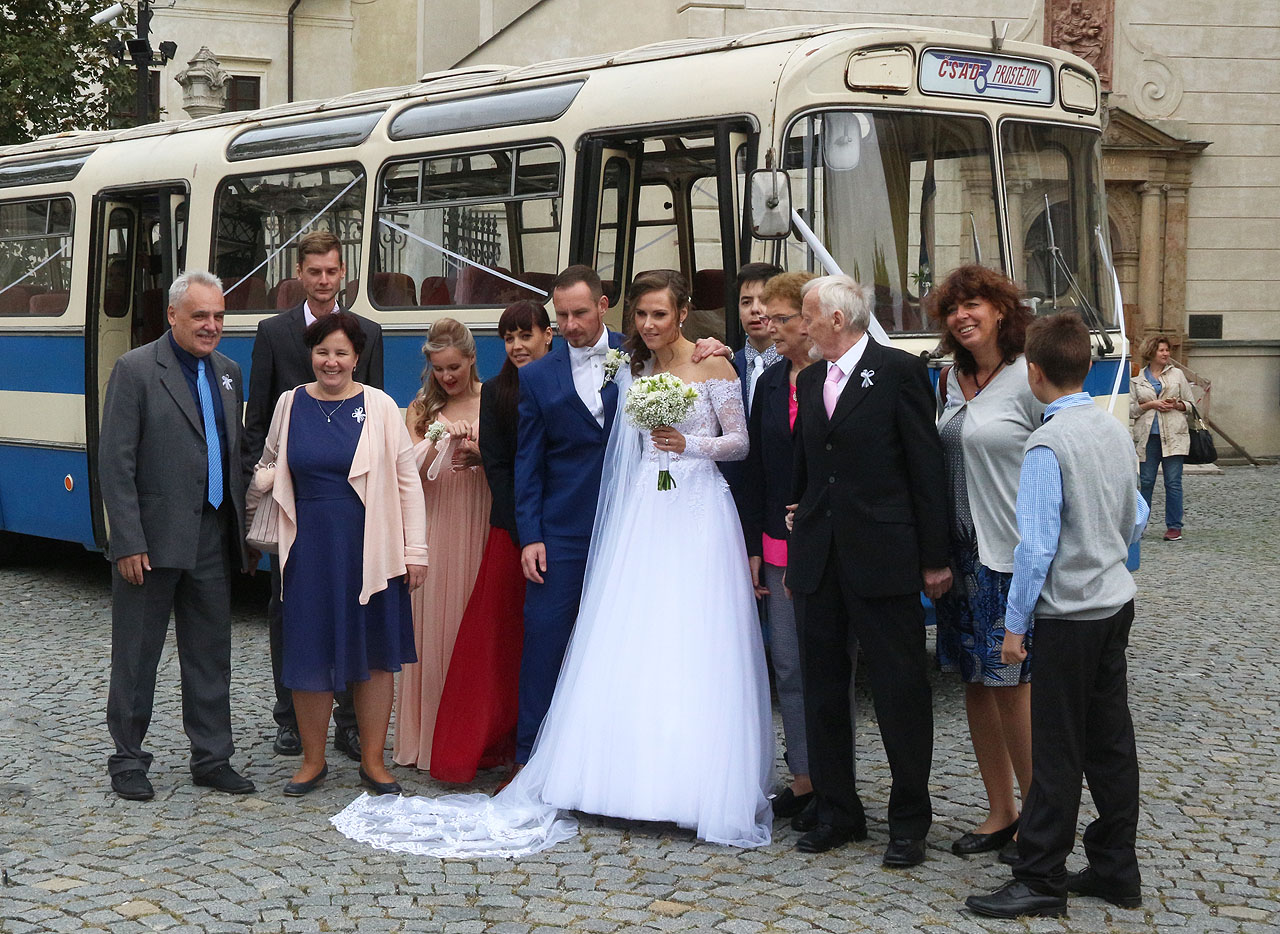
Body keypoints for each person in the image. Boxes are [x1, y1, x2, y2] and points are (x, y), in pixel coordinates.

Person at [331, 269, 773, 856]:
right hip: (563, 531)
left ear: (604, 309)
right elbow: (526, 463)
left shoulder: (636, 359)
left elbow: (717, 406)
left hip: (644, 523)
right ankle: (536, 760)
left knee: (642, 642)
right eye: (560, 317)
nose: (568, 326)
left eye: (579, 315)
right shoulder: (538, 376)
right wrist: (530, 535)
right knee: (546, 639)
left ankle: (640, 763)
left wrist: (709, 361)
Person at [965, 313, 1149, 920]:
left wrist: (1015, 627)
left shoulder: (1047, 443)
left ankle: (1041, 874)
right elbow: (1139, 513)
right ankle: (1117, 867)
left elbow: (1035, 545)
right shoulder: (1112, 430)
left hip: (1068, 614)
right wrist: (1105, 547)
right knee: (1111, 740)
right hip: (1112, 602)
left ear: (1035, 373)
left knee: (1059, 748)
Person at [785, 275, 950, 865]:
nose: (800, 326)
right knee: (823, 688)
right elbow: (811, 466)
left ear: (835, 318)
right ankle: (837, 809)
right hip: (819, 556)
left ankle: (909, 821)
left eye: (806, 315)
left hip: (884, 555)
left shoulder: (898, 371)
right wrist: (799, 531)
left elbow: (924, 468)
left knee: (899, 689)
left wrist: (935, 557)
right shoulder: (808, 378)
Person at [250, 311, 427, 796]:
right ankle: (312, 761)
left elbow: (408, 483)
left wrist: (417, 551)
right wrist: (260, 482)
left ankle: (373, 761)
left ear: (357, 357)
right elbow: (268, 461)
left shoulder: (382, 407)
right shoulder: (289, 404)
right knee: (308, 651)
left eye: (341, 353)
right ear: (312, 355)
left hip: (371, 545)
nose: (331, 362)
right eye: (322, 352)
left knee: (373, 655)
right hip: (307, 547)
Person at [100, 271, 254, 801]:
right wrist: (128, 540)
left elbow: (233, 452)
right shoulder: (136, 369)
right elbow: (115, 463)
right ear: (172, 316)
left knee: (211, 652)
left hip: (212, 532)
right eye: (199, 316)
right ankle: (128, 759)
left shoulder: (230, 372)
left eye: (218, 316)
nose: (211, 326)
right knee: (137, 654)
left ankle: (212, 758)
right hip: (152, 538)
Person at [242, 230, 385, 762]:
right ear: (299, 275)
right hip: (290, 504)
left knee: (354, 605)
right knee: (288, 610)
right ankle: (290, 720)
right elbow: (256, 425)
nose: (323, 282)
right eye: (314, 273)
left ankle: (349, 722)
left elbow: (378, 423)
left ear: (343, 273)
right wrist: (254, 501)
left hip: (350, 507)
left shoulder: (367, 332)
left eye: (332, 272)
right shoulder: (273, 332)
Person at [928, 265, 1041, 860]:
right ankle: (1001, 811)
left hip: (1009, 555)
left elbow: (1063, 458)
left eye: (973, 305)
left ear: (1000, 310)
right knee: (976, 682)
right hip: (960, 554)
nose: (961, 317)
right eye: (952, 310)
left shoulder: (1029, 379)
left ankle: (1039, 819)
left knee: (1013, 687)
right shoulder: (949, 379)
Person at [430, 300, 553, 783]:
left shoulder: (578, 379)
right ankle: (495, 741)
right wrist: (528, 533)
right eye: (509, 337)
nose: (518, 345)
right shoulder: (500, 391)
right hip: (514, 532)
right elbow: (500, 470)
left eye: (526, 335)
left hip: (567, 526)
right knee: (498, 640)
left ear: (549, 334)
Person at [394, 318, 491, 771]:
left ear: (472, 359)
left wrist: (481, 454)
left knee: (470, 631)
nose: (447, 377)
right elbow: (404, 474)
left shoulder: (491, 401)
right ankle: (428, 739)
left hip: (477, 519)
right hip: (436, 522)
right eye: (438, 369)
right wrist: (437, 443)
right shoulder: (421, 408)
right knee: (431, 632)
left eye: (454, 367)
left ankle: (469, 740)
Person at [740, 270, 817, 829]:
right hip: (778, 543)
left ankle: (836, 779)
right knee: (788, 664)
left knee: (829, 665)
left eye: (779, 314)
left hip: (831, 544)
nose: (765, 320)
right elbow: (761, 472)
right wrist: (756, 547)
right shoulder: (769, 383)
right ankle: (804, 778)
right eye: (758, 310)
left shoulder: (836, 378)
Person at [1130, 335, 1193, 542]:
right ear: (1151, 352)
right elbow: (1131, 410)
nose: (1166, 354)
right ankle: (1140, 525)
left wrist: (1176, 405)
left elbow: (1191, 405)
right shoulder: (1137, 379)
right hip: (1148, 437)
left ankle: (1174, 526)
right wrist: (1151, 405)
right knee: (1146, 482)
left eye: (1167, 350)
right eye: (1162, 350)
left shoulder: (1177, 375)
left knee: (1173, 482)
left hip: (1174, 435)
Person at [732, 262, 784, 416]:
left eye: (764, 300)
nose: (755, 309)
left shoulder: (795, 365)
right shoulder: (730, 365)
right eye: (746, 302)